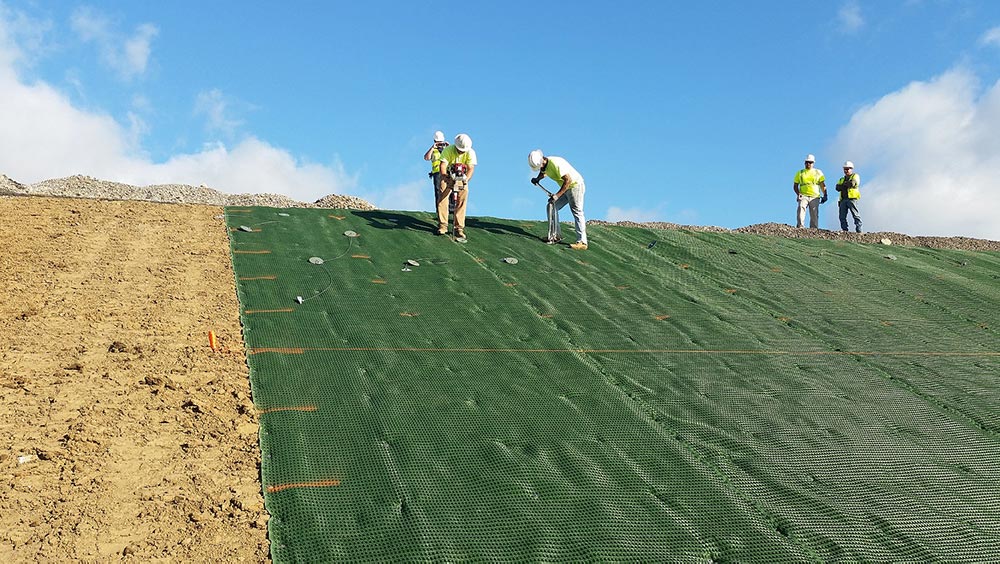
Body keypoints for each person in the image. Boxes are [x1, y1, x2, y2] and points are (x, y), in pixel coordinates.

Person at [528, 149, 588, 250]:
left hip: (575, 186)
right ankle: (555, 236)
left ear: (542, 160)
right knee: (551, 206)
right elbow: (544, 172)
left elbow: (568, 180)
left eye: (539, 166)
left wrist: (557, 195)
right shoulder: (545, 164)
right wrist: (537, 179)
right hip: (566, 188)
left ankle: (582, 242)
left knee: (577, 211)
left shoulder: (556, 164)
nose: (540, 168)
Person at [436, 133, 477, 241]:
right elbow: (443, 165)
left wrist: (465, 180)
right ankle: (443, 225)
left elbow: (471, 168)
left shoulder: (470, 153)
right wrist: (445, 176)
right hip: (448, 176)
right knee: (443, 198)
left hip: (462, 178)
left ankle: (459, 228)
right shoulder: (448, 150)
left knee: (463, 197)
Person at [793, 154, 827, 229]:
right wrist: (798, 194)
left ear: (813, 163)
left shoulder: (818, 172)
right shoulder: (800, 173)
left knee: (814, 213)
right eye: (807, 162)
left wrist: (825, 195)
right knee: (801, 209)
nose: (808, 164)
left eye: (810, 162)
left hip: (814, 196)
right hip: (803, 195)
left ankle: (813, 229)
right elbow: (795, 185)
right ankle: (800, 227)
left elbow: (822, 184)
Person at [423, 131, 448, 208]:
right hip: (437, 173)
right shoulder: (433, 150)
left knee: (449, 190)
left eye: (441, 142)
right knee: (438, 192)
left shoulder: (447, 150)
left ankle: (450, 209)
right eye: (438, 142)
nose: (440, 144)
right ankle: (439, 209)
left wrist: (448, 147)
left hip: (447, 172)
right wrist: (432, 148)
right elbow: (426, 158)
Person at [836, 161, 862, 233]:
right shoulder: (842, 179)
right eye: (845, 169)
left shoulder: (855, 176)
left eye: (848, 169)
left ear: (851, 169)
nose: (846, 170)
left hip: (852, 199)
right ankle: (845, 231)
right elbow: (837, 187)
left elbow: (853, 183)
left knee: (855, 215)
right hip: (843, 200)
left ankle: (859, 230)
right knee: (842, 217)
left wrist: (843, 186)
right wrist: (846, 184)